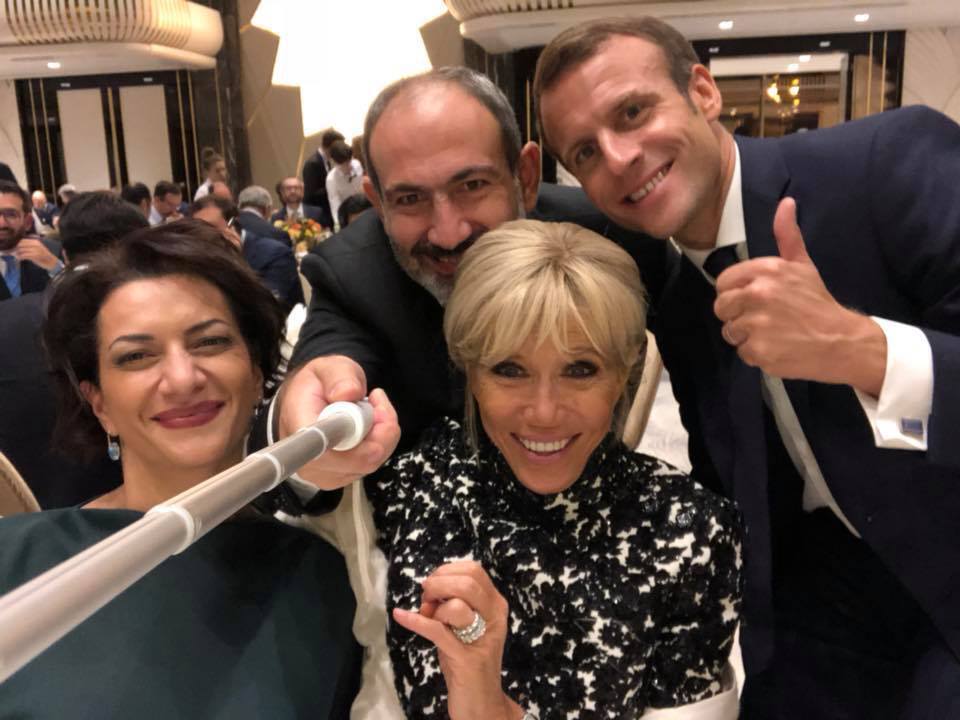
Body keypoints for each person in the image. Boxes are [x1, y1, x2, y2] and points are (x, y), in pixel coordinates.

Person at [533, 16, 960, 719]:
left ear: (703, 92)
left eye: (633, 112)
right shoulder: (678, 298)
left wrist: (862, 349)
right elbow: (726, 474)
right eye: (584, 151)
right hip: (825, 602)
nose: (618, 157)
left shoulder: (886, 163)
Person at [366, 219, 740, 718]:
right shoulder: (418, 478)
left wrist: (490, 704)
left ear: (624, 370)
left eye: (580, 369)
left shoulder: (692, 531)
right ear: (469, 368)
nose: (544, 412)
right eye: (509, 370)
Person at [0, 221, 362, 718]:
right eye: (136, 356)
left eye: (210, 342)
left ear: (257, 373)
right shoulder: (13, 556)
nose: (182, 378)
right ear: (99, 402)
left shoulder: (322, 579)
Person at [259, 67, 666, 496]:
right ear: (377, 203)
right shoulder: (353, 276)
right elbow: (305, 398)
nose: (448, 234)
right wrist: (301, 434)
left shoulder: (613, 230)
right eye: (410, 199)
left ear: (526, 177)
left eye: (472, 185)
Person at [0, 191, 146, 508]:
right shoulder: (160, 321)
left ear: (64, 253)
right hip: (151, 516)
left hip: (23, 517)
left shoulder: (7, 319)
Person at [189, 194, 304, 313]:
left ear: (231, 225)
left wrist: (235, 260)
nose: (202, 234)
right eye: (196, 229)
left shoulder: (275, 254)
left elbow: (267, 307)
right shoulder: (200, 257)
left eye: (209, 227)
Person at [0, 180, 58, 301]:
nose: (2, 223)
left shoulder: (54, 251)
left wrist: (55, 267)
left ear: (28, 222)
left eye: (11, 214)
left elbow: (80, 300)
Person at [302, 128, 345, 227]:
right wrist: (334, 186)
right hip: (318, 215)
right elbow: (311, 193)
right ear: (332, 146)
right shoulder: (312, 163)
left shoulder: (326, 161)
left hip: (326, 211)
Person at [325, 139, 364, 230]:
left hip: (364, 207)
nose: (349, 166)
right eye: (344, 164)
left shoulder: (357, 164)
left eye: (349, 160)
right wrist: (340, 226)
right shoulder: (331, 179)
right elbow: (335, 206)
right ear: (334, 162)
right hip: (350, 217)